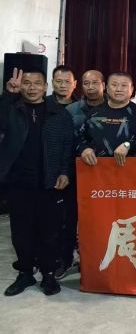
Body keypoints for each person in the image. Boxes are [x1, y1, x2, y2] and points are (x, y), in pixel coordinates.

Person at [0, 68, 74, 296]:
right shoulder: (12, 109)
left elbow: (67, 145)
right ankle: (25, 273)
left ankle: (48, 274)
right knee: (21, 231)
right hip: (18, 182)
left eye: (37, 83)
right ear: (20, 86)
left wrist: (64, 172)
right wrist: (8, 95)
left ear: (45, 87)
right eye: (27, 83)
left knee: (49, 232)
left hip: (49, 183)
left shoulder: (59, 114)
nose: (31, 87)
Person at [57, 69, 106, 280]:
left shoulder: (114, 108)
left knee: (103, 220)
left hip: (107, 176)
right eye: (86, 83)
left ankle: (100, 262)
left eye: (95, 82)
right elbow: (65, 143)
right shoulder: (71, 110)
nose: (91, 87)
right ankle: (66, 259)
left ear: (104, 85)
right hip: (76, 173)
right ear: (80, 85)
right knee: (69, 218)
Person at [78, 72, 136, 166]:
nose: (119, 89)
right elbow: (80, 137)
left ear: (132, 89)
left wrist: (128, 145)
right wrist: (84, 149)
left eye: (124, 85)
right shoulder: (95, 112)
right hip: (96, 168)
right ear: (107, 88)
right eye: (114, 85)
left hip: (129, 168)